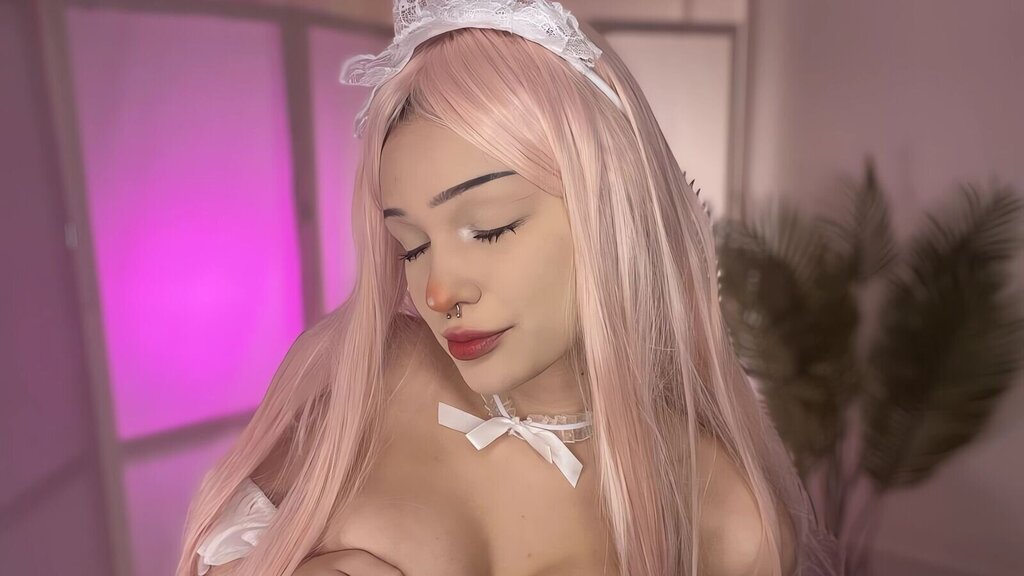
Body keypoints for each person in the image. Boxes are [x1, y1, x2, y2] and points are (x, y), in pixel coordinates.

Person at [175, 1, 841, 574]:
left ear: (613, 214)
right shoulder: (363, 376)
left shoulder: (726, 514)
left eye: (490, 229)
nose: (439, 291)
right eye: (412, 246)